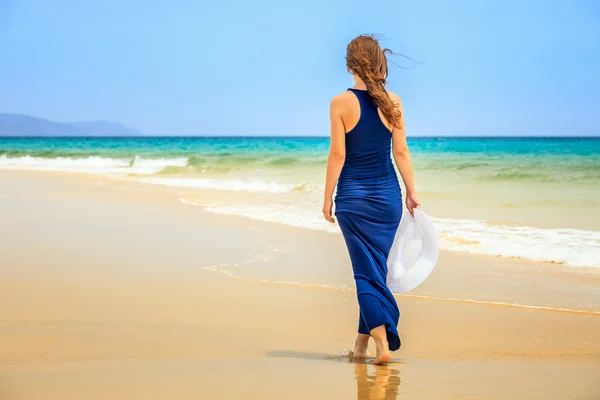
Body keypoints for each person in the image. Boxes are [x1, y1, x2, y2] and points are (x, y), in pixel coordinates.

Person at [322, 34, 419, 365]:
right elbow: (401, 152)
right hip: (388, 199)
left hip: (353, 200)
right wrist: (411, 192)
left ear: (350, 64)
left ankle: (382, 345)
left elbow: (337, 155)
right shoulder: (394, 103)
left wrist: (327, 198)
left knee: (366, 275)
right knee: (375, 271)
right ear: (379, 63)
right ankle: (360, 347)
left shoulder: (340, 104)